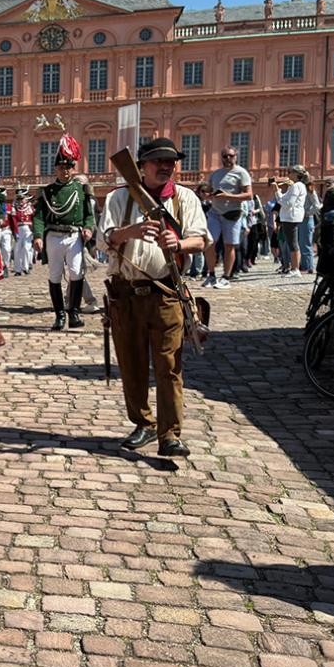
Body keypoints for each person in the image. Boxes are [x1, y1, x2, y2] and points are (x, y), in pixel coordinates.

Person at [100, 137, 208, 458]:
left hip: (166, 293)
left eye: (171, 162)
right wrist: (129, 232)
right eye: (158, 161)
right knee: (132, 365)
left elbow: (200, 240)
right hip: (126, 294)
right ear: (141, 166)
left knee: (169, 365)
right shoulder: (120, 198)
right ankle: (143, 423)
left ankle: (170, 434)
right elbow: (104, 239)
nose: (165, 167)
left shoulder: (184, 198)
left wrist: (179, 244)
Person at [32, 133, 95, 329]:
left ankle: (74, 313)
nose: (64, 171)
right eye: (61, 167)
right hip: (54, 237)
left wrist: (88, 228)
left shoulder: (80, 190)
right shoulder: (47, 191)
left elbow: (88, 214)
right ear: (55, 169)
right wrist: (38, 236)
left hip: (73, 235)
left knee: (77, 272)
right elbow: (40, 216)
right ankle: (59, 314)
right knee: (55, 275)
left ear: (72, 169)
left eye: (68, 167)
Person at [203, 145, 253, 289]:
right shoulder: (216, 173)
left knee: (229, 245)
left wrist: (228, 196)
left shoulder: (241, 173)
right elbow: (210, 189)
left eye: (231, 156)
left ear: (236, 156)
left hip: (232, 214)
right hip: (215, 212)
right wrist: (208, 195)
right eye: (225, 156)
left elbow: (249, 195)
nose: (228, 159)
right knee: (209, 242)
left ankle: (226, 277)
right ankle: (211, 275)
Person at [276, 168, 308, 276]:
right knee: (292, 243)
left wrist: (279, 197)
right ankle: (295, 268)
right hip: (291, 217)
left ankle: (295, 269)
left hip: (291, 217)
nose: (288, 174)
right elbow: (284, 199)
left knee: (293, 244)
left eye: (290, 172)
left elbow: (288, 203)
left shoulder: (296, 186)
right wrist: (278, 193)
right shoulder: (298, 186)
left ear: (296, 174)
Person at [7, 186, 36, 275]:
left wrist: (34, 231)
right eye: (19, 199)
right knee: (17, 249)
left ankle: (26, 267)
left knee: (27, 249)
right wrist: (14, 232)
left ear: (26, 199)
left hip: (28, 229)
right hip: (18, 229)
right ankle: (18, 269)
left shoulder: (30, 208)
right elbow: (13, 221)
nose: (21, 201)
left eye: (22, 199)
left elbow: (34, 219)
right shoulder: (15, 208)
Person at [300, 177, 320, 273]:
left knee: (307, 244)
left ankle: (309, 266)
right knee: (302, 243)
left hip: (307, 219)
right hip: (301, 220)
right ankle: (304, 265)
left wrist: (307, 213)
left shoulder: (310, 192)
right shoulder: (303, 191)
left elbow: (317, 205)